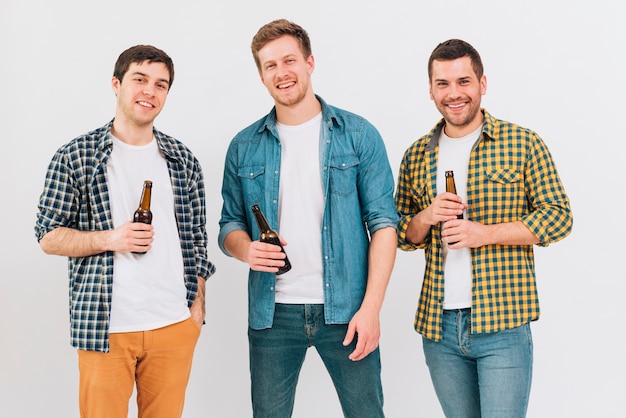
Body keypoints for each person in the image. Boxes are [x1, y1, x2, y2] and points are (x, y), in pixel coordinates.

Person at [218, 19, 399, 418]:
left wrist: (371, 309)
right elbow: (228, 224)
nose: (281, 72)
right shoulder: (244, 146)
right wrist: (245, 248)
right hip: (273, 313)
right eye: (270, 65)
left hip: (348, 309)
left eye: (289, 60)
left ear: (309, 62)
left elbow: (385, 224)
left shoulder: (358, 134)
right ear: (261, 75)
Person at [395, 38, 573, 417]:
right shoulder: (416, 154)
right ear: (430, 90)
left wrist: (486, 234)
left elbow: (559, 216)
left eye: (464, 81)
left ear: (482, 83)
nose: (454, 93)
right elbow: (401, 235)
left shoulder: (522, 143)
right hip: (438, 326)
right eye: (443, 84)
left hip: (503, 323)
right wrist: (426, 216)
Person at [34, 45, 215, 418]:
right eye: (140, 79)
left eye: (161, 84)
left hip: (173, 325)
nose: (150, 91)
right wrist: (110, 238)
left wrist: (196, 306)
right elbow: (48, 236)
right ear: (116, 84)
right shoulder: (76, 156)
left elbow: (197, 237)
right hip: (106, 328)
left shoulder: (182, 159)